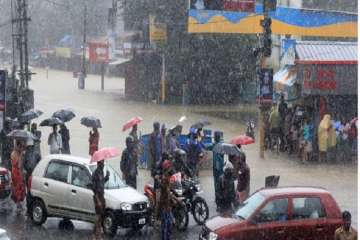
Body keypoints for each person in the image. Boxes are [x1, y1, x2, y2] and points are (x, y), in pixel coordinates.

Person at [91, 160, 110, 239]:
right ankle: (97, 235)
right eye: (102, 163)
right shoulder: (95, 174)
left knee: (101, 215)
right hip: (97, 196)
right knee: (98, 215)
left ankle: (95, 233)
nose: (103, 164)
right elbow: (94, 188)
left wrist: (107, 177)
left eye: (103, 162)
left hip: (102, 195)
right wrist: (98, 200)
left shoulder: (101, 172)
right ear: (99, 164)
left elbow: (102, 183)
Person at [11, 139, 26, 212]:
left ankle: (18, 204)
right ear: (18, 146)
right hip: (17, 172)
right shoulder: (16, 154)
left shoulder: (14, 153)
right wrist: (21, 157)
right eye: (20, 146)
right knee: (18, 188)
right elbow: (19, 165)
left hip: (16, 172)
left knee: (18, 187)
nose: (21, 148)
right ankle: (18, 205)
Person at [211, 132, 224, 206]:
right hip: (217, 169)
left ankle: (218, 199)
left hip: (218, 169)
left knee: (218, 184)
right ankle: (218, 198)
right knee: (217, 184)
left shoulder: (219, 145)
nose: (215, 138)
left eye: (215, 137)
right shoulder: (216, 145)